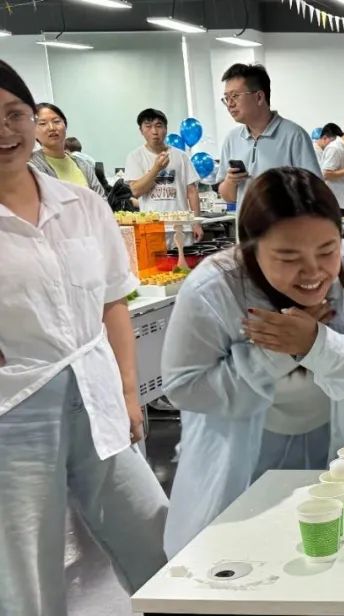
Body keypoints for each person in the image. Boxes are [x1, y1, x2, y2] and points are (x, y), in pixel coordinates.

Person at [160, 167, 344, 556]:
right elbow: (184, 388)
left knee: (334, 550)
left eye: (327, 250)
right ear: (252, 247)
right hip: (243, 454)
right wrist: (276, 352)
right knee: (245, 557)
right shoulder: (215, 287)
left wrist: (316, 344)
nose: (313, 272)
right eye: (288, 257)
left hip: (333, 439)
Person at [0, 61, 168, 613]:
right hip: (15, 407)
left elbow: (113, 301)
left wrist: (128, 392)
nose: (5, 132)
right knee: (28, 571)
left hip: (96, 393)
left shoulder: (83, 205)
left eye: (14, 114)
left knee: (153, 533)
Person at [216, 63, 320, 210]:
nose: (230, 104)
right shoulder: (232, 139)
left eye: (235, 96)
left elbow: (315, 191)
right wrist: (230, 182)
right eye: (226, 98)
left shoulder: (294, 136)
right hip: (246, 225)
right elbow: (229, 198)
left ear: (259, 97)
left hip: (284, 224)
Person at [124, 108, 203, 241]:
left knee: (184, 256)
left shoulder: (181, 156)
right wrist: (156, 169)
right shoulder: (135, 157)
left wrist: (196, 223)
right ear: (141, 130)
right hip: (151, 228)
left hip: (182, 227)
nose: (154, 131)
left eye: (158, 126)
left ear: (166, 129)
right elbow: (136, 191)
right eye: (148, 126)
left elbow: (192, 191)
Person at [28, 102, 107, 198]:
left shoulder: (83, 164)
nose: (52, 128)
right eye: (42, 124)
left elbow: (101, 199)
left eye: (56, 121)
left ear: (65, 125)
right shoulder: (31, 166)